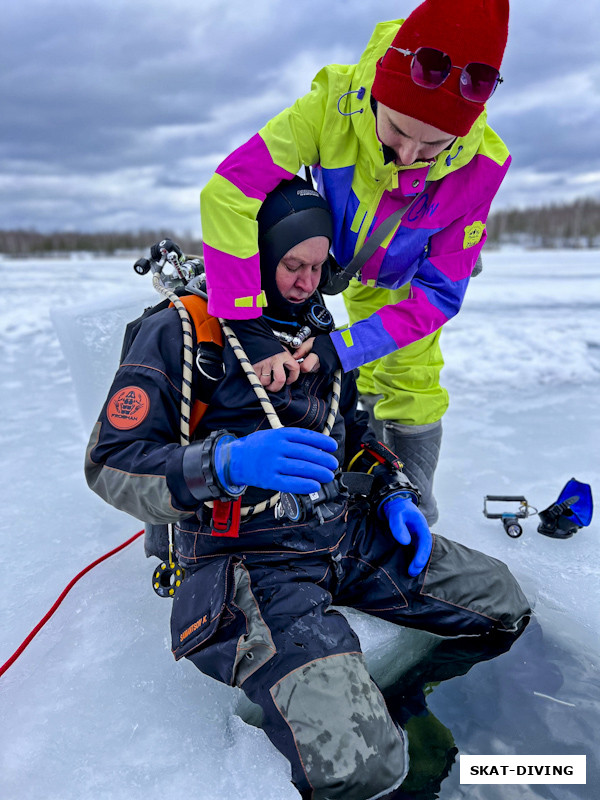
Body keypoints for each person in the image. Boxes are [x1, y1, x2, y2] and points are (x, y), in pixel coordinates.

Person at [86, 178, 530, 800]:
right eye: (293, 265)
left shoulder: (317, 327)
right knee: (362, 765)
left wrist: (389, 488)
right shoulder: (187, 330)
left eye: (318, 267)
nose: (305, 281)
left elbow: (353, 432)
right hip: (246, 558)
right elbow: (112, 461)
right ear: (259, 255)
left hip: (341, 532)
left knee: (502, 600)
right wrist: (228, 462)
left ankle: (446, 733)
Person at [200, 0, 512, 524]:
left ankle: (413, 503)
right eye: (395, 130)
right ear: (375, 95)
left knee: (409, 379)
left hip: (408, 272)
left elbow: (437, 296)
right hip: (335, 257)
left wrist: (341, 347)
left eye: (434, 145)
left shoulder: (484, 166)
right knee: (342, 370)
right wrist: (247, 320)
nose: (410, 155)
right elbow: (231, 191)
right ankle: (356, 464)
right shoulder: (333, 102)